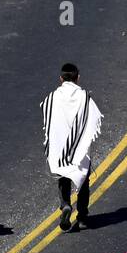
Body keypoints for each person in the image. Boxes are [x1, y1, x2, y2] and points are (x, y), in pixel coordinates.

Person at [42, 62, 101, 232]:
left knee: (63, 176)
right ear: (78, 78)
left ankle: (65, 205)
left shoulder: (52, 97)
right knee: (83, 179)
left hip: (61, 145)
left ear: (61, 78)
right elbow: (93, 118)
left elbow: (48, 119)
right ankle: (82, 217)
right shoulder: (84, 97)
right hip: (79, 146)